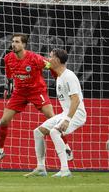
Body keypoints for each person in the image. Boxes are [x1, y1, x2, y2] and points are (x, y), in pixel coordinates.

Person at [0, 34, 72, 166]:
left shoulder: (35, 58)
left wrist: (59, 81)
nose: (13, 44)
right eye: (13, 42)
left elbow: (51, 66)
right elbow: (9, 75)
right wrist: (8, 88)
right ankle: (0, 151)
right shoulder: (8, 58)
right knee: (4, 121)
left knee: (52, 118)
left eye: (17, 42)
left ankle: (67, 148)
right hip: (19, 93)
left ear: (24, 45)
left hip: (37, 91)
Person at [24, 49, 86, 177]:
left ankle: (65, 170)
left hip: (77, 114)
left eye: (50, 57)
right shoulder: (59, 77)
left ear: (57, 60)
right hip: (66, 112)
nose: (48, 59)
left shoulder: (69, 76)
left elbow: (76, 99)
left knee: (54, 131)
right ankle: (41, 168)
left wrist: (67, 119)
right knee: (38, 132)